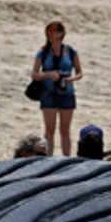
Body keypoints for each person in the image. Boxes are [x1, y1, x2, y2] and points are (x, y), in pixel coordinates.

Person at [31, 20, 82, 155]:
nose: (50, 34)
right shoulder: (43, 52)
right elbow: (34, 74)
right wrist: (48, 74)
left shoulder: (70, 51)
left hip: (66, 92)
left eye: (53, 32)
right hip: (48, 93)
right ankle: (49, 158)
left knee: (65, 130)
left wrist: (71, 79)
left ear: (61, 34)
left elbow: (79, 72)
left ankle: (66, 159)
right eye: (49, 32)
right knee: (49, 130)